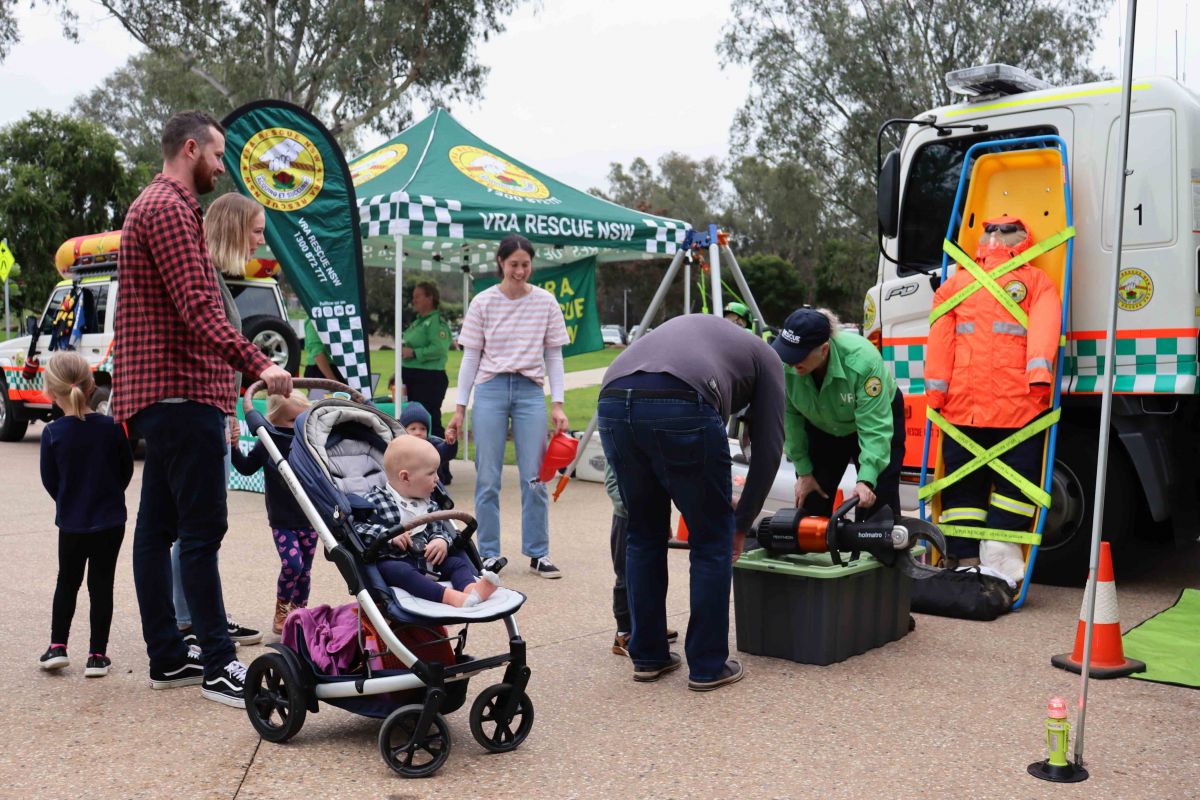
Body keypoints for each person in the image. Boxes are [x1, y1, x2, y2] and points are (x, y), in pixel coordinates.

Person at [112, 110, 293, 709]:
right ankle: (218, 662)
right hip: (179, 393)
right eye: (217, 155)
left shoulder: (156, 207)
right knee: (200, 529)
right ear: (191, 149)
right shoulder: (169, 208)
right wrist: (260, 364)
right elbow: (198, 307)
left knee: (159, 528)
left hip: (161, 395)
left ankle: (167, 654)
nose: (221, 166)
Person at [599, 314, 785, 691]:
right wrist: (740, 526)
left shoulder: (713, 337)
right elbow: (768, 453)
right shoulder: (768, 358)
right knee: (711, 540)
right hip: (682, 399)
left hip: (613, 399)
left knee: (643, 534)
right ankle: (708, 665)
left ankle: (648, 656)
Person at [926, 216, 1061, 582]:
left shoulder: (955, 284)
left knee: (962, 483)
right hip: (1018, 407)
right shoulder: (1037, 282)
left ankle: (963, 555)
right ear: (1023, 240)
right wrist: (1039, 380)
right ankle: (1001, 550)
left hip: (961, 408)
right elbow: (1044, 334)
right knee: (1016, 481)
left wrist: (936, 395)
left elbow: (939, 346)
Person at [170, 191, 267, 648]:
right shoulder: (205, 277)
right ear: (232, 228)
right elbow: (215, 347)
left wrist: (228, 411)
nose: (260, 242)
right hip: (198, 409)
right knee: (197, 526)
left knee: (202, 524)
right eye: (256, 231)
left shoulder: (215, 278)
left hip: (213, 409)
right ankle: (190, 619)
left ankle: (201, 613)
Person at [445, 234, 570, 578]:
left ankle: (538, 552)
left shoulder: (546, 302)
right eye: (513, 264)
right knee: (488, 476)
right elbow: (470, 357)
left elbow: (554, 355)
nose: (519, 271)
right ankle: (488, 553)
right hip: (491, 389)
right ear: (501, 263)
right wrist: (459, 408)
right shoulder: (483, 302)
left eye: (525, 265)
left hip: (530, 390)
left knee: (535, 476)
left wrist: (557, 404)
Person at [38, 352, 133, 677]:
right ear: (92, 385)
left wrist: (70, 500)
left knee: (67, 581)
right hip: (110, 521)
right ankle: (97, 655)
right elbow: (125, 472)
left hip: (72, 522)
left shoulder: (53, 434)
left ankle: (57, 647)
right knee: (101, 585)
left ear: (51, 392)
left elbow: (51, 482)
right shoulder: (113, 428)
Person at [772, 307, 905, 523]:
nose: (791, 363)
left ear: (824, 350)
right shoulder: (784, 365)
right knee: (811, 501)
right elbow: (789, 420)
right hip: (820, 423)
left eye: (799, 356)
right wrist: (804, 471)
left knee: (875, 506)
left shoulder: (863, 362)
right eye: (787, 353)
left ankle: (880, 550)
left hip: (873, 420)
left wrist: (867, 480)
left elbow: (875, 427)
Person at [355, 436, 501, 607]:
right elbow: (358, 528)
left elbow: (439, 528)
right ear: (405, 477)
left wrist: (440, 540)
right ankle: (452, 597)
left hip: (427, 560)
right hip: (397, 562)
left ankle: (471, 590)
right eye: (431, 473)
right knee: (398, 570)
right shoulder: (376, 501)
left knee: (457, 563)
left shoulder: (429, 503)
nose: (438, 479)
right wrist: (387, 536)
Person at [231, 390, 317, 634]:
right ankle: (282, 608)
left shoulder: (309, 443)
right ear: (274, 420)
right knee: (293, 564)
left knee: (305, 571)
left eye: (301, 421)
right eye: (291, 421)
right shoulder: (268, 441)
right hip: (282, 520)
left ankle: (298, 614)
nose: (296, 428)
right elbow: (247, 468)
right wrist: (235, 447)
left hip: (309, 519)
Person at [604, 463, 677, 657]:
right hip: (627, 518)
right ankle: (623, 633)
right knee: (626, 576)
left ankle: (649, 627)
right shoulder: (618, 438)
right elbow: (612, 483)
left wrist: (662, 518)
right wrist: (634, 511)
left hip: (653, 517)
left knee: (652, 574)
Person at [402, 281, 455, 482]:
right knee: (413, 423)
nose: (413, 300)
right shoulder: (418, 321)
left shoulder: (436, 324)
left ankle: (441, 469)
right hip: (413, 376)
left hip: (429, 378)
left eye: (418, 296)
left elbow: (440, 349)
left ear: (429, 298)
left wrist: (414, 352)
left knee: (430, 422)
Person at [398, 401, 456, 479]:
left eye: (423, 429)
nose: (418, 432)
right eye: (413, 429)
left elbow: (446, 452)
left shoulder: (432, 446)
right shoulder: (398, 448)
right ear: (403, 430)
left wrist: (450, 442)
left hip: (433, 488)